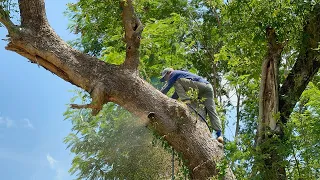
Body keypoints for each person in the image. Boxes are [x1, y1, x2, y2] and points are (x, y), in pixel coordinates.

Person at [160, 68, 223, 143]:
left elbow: (167, 88)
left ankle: (186, 101)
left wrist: (159, 94)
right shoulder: (180, 77)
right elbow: (176, 95)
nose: (166, 80)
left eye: (165, 78)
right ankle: (219, 135)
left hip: (200, 86)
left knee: (176, 82)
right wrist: (170, 101)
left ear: (168, 72)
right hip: (207, 89)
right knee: (208, 112)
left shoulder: (174, 74)